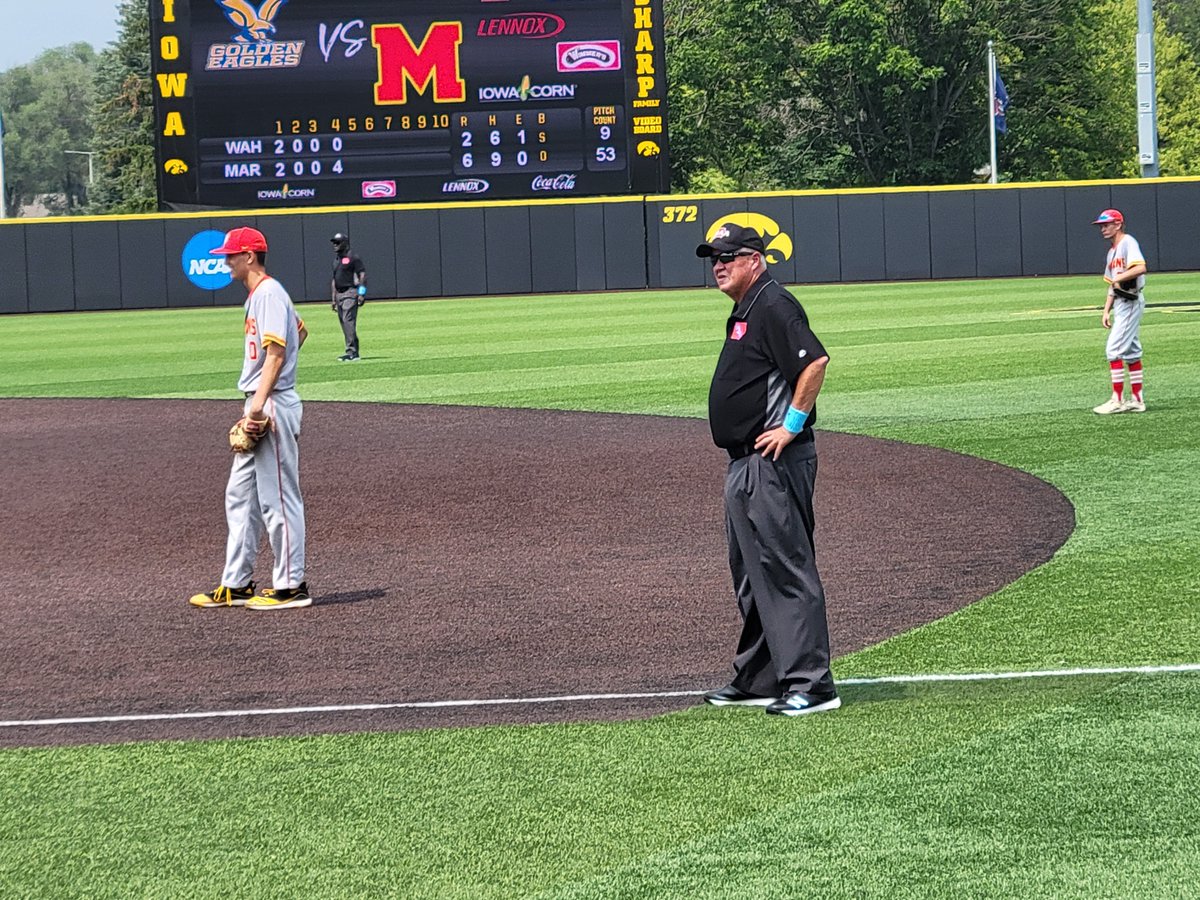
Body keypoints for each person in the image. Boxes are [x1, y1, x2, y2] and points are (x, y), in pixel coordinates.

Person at [696, 223, 839, 717]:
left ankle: (812, 684)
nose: (719, 264)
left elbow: (814, 362)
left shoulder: (774, 303)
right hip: (746, 464)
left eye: (729, 255)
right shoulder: (747, 308)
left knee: (785, 568)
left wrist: (791, 426)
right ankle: (761, 676)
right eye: (714, 256)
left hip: (773, 461)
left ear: (755, 259)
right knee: (751, 572)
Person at [189, 226, 312, 610]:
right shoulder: (261, 295)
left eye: (230, 255)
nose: (225, 262)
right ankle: (237, 584)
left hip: (270, 402)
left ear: (249, 257)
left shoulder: (270, 292)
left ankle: (292, 586)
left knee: (278, 497)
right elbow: (300, 331)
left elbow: (277, 351)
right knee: (240, 496)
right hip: (262, 398)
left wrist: (258, 405)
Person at [1092, 209, 1148, 414]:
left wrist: (1119, 278)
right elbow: (1112, 285)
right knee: (1132, 352)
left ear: (1118, 224)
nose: (1103, 229)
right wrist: (1106, 311)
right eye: (1101, 226)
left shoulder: (1127, 242)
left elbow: (1140, 267)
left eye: (1106, 225)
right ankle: (1137, 400)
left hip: (1131, 301)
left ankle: (1117, 401)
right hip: (1121, 303)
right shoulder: (1111, 251)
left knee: (1113, 350)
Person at [330, 232, 367, 361]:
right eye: (334, 242)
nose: (335, 245)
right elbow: (334, 280)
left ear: (345, 243)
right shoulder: (336, 260)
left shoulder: (353, 257)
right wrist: (333, 298)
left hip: (350, 293)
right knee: (344, 323)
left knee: (348, 321)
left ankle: (351, 352)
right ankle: (354, 350)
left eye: (338, 242)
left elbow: (362, 274)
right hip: (339, 294)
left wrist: (361, 293)